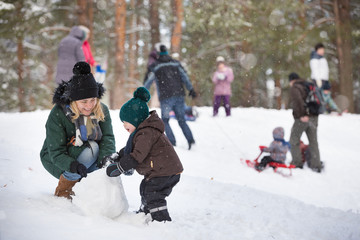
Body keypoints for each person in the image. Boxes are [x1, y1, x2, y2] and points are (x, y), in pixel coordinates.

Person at [104, 87, 183, 222]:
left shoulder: (146, 133)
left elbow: (137, 155)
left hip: (165, 172)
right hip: (161, 171)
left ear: (136, 119)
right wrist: (118, 156)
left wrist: (120, 168)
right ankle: (146, 212)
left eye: (126, 121)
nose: (124, 125)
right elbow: (133, 148)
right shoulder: (142, 133)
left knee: (153, 193)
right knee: (145, 188)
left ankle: (161, 220)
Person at [40, 61, 116, 200]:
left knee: (99, 156)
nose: (89, 106)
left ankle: (88, 191)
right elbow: (56, 152)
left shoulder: (101, 109)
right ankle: (64, 190)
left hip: (86, 153)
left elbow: (108, 138)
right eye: (84, 102)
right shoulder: (59, 113)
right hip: (55, 158)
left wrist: (105, 160)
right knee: (92, 148)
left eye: (93, 100)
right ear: (73, 101)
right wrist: (73, 165)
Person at [144, 44, 197, 150]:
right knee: (182, 120)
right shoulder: (175, 63)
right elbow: (184, 76)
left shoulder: (156, 66)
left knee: (165, 120)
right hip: (179, 95)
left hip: (166, 97)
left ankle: (172, 143)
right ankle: (191, 141)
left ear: (158, 53)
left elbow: (148, 82)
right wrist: (190, 89)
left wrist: (143, 92)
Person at [288, 72, 323, 172]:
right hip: (314, 117)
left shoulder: (295, 87)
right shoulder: (308, 85)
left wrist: (302, 115)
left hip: (303, 117)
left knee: (294, 139)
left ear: (291, 80)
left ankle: (297, 163)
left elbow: (298, 101)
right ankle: (316, 165)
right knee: (313, 141)